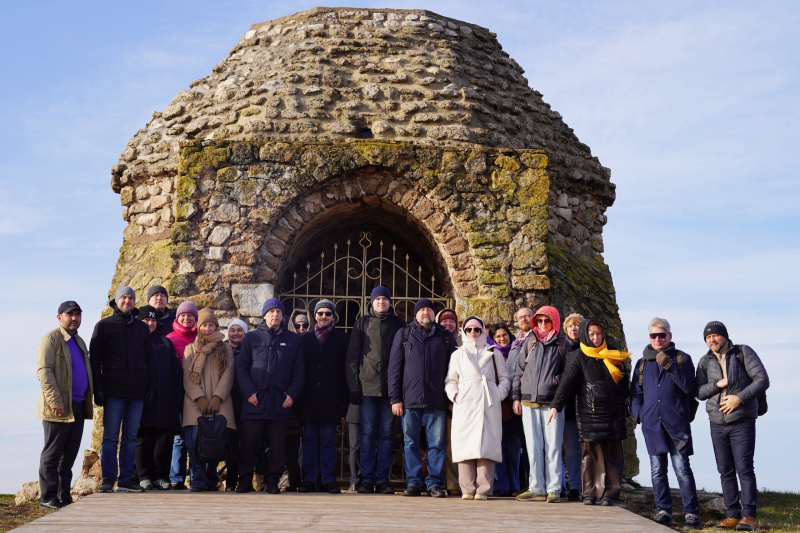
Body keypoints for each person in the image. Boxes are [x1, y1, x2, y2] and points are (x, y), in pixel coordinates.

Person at [548, 318, 631, 506]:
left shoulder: (613, 353)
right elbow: (566, 382)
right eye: (592, 333)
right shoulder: (578, 356)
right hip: (589, 412)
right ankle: (590, 492)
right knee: (589, 455)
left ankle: (610, 492)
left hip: (613, 412)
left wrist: (616, 396)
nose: (595, 337)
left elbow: (625, 383)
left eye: (598, 333)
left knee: (613, 454)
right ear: (586, 334)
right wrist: (556, 405)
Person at [696, 321, 769, 531]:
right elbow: (699, 392)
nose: (712, 340)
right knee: (725, 471)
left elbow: (762, 379)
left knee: (744, 469)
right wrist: (717, 385)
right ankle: (732, 516)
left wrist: (738, 398)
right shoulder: (704, 361)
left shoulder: (743, 352)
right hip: (717, 423)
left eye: (716, 335)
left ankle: (749, 517)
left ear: (725, 337)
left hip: (742, 420)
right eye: (708, 337)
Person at [631, 317, 701, 529]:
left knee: (682, 469)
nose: (658, 339)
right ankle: (663, 511)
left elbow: (689, 387)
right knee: (657, 470)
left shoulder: (682, 359)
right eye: (654, 335)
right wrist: (639, 414)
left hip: (677, 424)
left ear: (670, 336)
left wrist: (669, 365)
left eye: (662, 335)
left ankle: (691, 515)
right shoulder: (642, 363)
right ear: (649, 337)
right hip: (652, 425)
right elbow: (635, 394)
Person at [388, 298, 457, 497]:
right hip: (409, 401)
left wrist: (451, 400)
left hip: (437, 401)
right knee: (410, 443)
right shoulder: (404, 334)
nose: (425, 312)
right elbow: (394, 369)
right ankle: (414, 482)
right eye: (422, 309)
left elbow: (455, 370)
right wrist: (395, 398)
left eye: (429, 309)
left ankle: (434, 483)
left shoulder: (444, 336)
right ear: (416, 313)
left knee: (436, 444)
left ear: (434, 314)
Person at [235, 298, 304, 494]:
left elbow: (299, 372)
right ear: (264, 315)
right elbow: (242, 368)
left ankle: (272, 482)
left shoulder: (293, 340)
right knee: (249, 445)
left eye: (279, 312)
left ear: (283, 316)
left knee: (277, 447)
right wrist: (249, 392)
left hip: (279, 402)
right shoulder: (251, 338)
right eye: (271, 311)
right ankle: (245, 481)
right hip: (254, 402)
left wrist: (291, 394)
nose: (275, 315)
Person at [90, 285, 154, 493]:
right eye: (124, 298)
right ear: (116, 301)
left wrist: (149, 386)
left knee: (130, 437)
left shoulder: (141, 328)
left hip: (136, 391)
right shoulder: (104, 326)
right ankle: (108, 479)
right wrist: (98, 389)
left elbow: (149, 360)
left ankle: (126, 478)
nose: (127, 301)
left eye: (131, 298)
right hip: (113, 391)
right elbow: (95, 361)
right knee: (110, 437)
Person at [345, 286, 406, 494]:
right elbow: (352, 358)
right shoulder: (362, 323)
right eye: (377, 298)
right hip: (367, 387)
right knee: (368, 434)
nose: (381, 302)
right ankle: (366, 479)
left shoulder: (399, 325)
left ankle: (382, 480)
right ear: (372, 302)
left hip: (391, 389)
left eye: (385, 299)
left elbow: (404, 358)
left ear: (390, 302)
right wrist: (354, 387)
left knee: (387, 435)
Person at [445, 317, 511, 500]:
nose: (473, 333)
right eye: (469, 330)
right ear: (464, 332)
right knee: (465, 444)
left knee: (487, 444)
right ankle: (467, 488)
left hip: (488, 402)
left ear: (482, 331)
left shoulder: (493, 353)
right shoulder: (457, 355)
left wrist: (497, 395)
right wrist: (455, 396)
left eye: (476, 329)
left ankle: (483, 489)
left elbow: (505, 379)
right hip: (465, 403)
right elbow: (451, 380)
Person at [36, 301, 93, 509]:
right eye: (70, 314)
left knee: (69, 455)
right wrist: (55, 401)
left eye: (78, 314)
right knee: (52, 454)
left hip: (77, 404)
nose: (75, 318)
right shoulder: (51, 339)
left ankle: (63, 496)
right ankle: (48, 497)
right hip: (57, 407)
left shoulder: (79, 341)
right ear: (60, 317)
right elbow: (44, 371)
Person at [513, 306, 568, 503]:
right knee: (533, 446)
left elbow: (568, 375)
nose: (543, 324)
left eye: (547, 320)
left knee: (553, 446)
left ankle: (553, 488)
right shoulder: (530, 341)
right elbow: (518, 370)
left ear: (554, 321)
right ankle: (536, 487)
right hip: (528, 401)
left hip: (551, 403)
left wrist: (555, 385)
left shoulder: (562, 343)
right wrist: (516, 397)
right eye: (540, 320)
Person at [297, 300, 349, 494]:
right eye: (320, 313)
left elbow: (346, 373)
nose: (324, 316)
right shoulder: (305, 340)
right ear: (315, 316)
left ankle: (328, 479)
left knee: (328, 440)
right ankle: (309, 479)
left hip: (331, 400)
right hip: (309, 400)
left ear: (333, 317)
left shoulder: (343, 340)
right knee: (309, 440)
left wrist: (344, 404)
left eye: (328, 313)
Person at [182, 308, 236, 492]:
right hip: (195, 404)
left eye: (211, 324)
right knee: (195, 444)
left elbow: (229, 374)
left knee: (215, 443)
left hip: (220, 403)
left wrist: (216, 397)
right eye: (204, 325)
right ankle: (197, 480)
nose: (208, 328)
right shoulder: (191, 349)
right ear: (199, 327)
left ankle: (211, 479)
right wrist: (199, 398)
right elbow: (187, 378)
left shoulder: (225, 348)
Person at [134, 306, 183, 491]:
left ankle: (161, 476)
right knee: (144, 439)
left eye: (153, 320)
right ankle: (144, 475)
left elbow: (176, 372)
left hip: (167, 399)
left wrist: (178, 397)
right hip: (145, 399)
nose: (150, 323)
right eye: (146, 320)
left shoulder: (165, 342)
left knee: (165, 440)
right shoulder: (136, 342)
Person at [166, 300, 199, 490]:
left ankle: (195, 477)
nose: (187, 318)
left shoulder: (200, 339)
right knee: (178, 439)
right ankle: (176, 477)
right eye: (183, 315)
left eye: (190, 315)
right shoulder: (170, 339)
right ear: (178, 317)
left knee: (194, 438)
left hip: (195, 394)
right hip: (177, 393)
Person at [487, 322, 521, 497]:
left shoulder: (517, 351)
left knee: (514, 449)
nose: (502, 338)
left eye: (504, 335)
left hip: (514, 407)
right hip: (497, 405)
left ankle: (515, 484)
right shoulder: (489, 354)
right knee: (498, 448)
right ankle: (501, 485)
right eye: (498, 336)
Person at [223, 318, 248, 491]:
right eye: (233, 330)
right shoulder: (221, 349)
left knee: (247, 443)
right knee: (230, 443)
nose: (236, 333)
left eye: (240, 330)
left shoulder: (250, 350)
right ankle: (231, 482)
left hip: (246, 402)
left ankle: (246, 481)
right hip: (226, 402)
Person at [561, 312, 584, 501]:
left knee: (588, 449)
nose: (574, 329)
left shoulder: (592, 348)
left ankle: (590, 485)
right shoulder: (561, 348)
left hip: (587, 407)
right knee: (570, 449)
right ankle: (575, 486)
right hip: (568, 406)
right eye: (570, 326)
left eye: (577, 325)